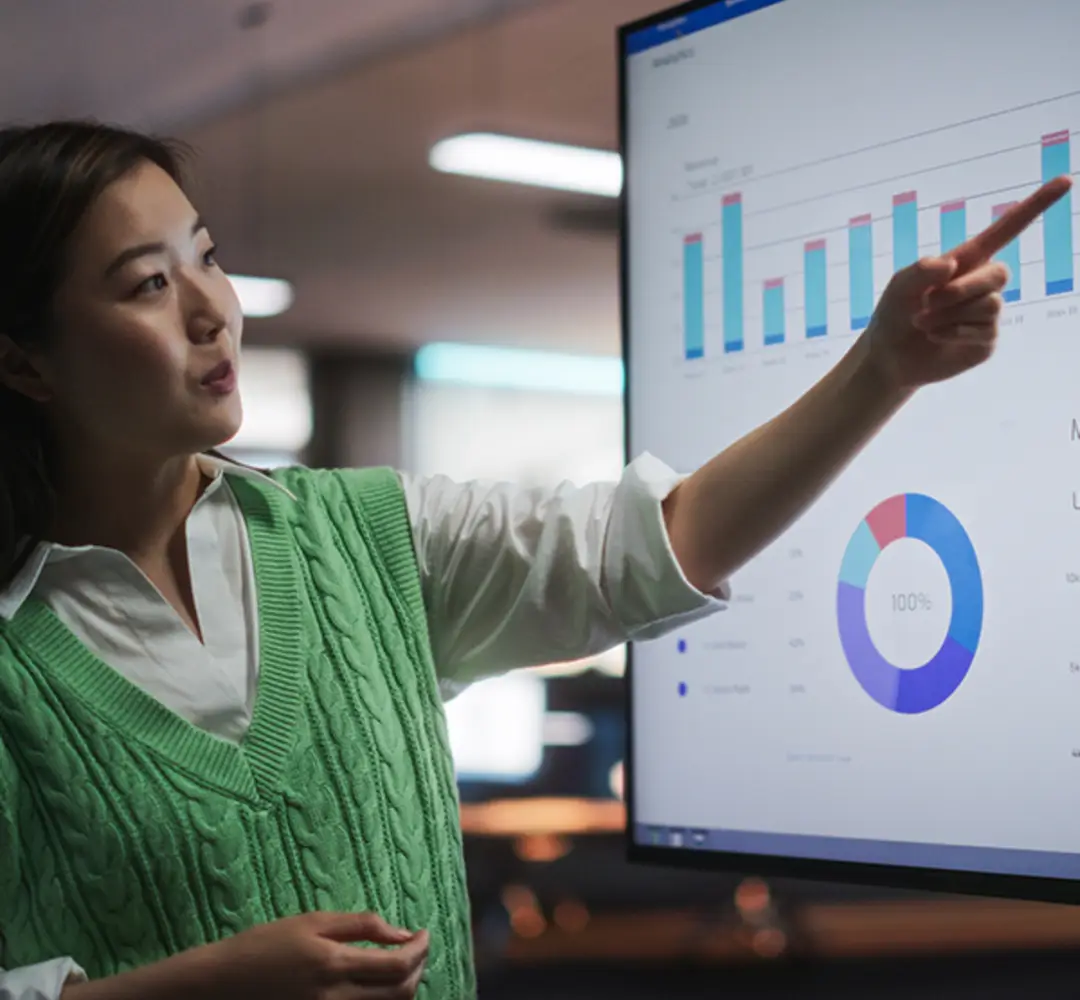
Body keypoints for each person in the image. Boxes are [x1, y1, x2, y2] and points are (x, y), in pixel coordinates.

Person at [0, 119, 1067, 1000]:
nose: (210, 311)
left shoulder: (365, 539)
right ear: (25, 361)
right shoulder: (18, 653)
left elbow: (663, 541)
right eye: (146, 283)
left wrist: (882, 368)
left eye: (208, 255)